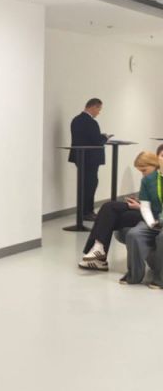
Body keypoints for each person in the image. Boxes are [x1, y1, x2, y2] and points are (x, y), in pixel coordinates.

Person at [79, 151, 160, 270]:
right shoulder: (150, 179)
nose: (143, 174)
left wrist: (139, 206)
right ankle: (98, 251)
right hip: (144, 210)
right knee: (108, 209)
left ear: (154, 164)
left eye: (144, 170)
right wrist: (139, 201)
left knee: (109, 212)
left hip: (154, 216)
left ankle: (99, 253)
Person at [120, 144, 163, 288]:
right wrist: (152, 224)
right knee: (134, 234)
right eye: (162, 156)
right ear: (157, 159)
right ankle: (134, 275)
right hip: (154, 219)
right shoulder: (147, 180)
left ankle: (160, 279)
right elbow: (145, 206)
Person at [68, 98, 110, 220]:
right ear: (93, 107)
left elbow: (83, 138)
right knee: (91, 185)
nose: (99, 113)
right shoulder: (91, 122)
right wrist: (105, 137)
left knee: (84, 184)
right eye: (99, 109)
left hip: (80, 157)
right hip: (91, 159)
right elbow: (96, 141)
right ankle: (88, 212)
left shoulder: (75, 120)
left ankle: (83, 211)